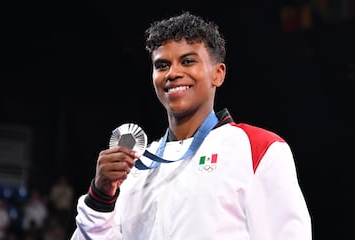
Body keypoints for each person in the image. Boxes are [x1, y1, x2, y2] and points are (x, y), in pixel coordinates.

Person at [71, 11, 312, 239]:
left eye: (187, 61)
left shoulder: (259, 148)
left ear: (218, 74)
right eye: (162, 65)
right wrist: (100, 197)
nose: (172, 73)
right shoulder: (137, 166)